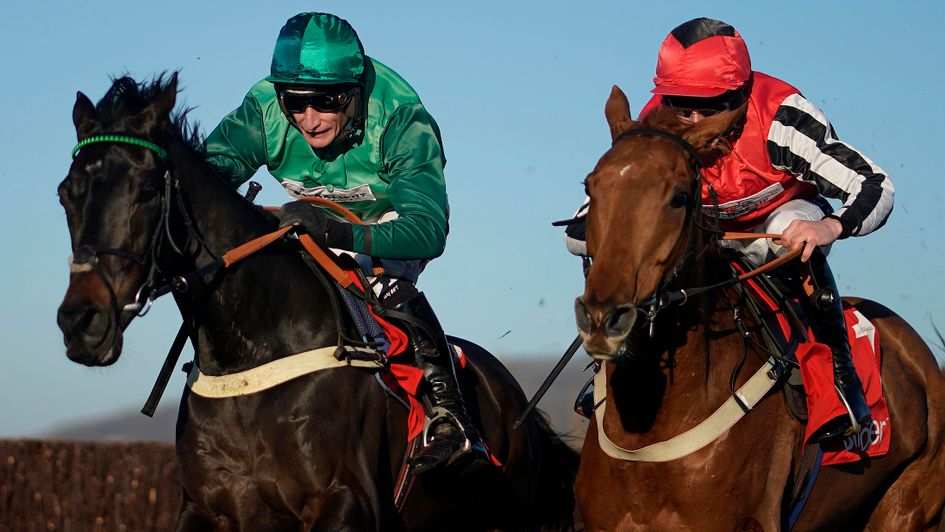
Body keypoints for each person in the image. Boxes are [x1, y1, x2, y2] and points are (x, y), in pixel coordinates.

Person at [564, 17, 894, 441]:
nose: (693, 120)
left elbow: (874, 184)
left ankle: (841, 382)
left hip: (777, 219)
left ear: (738, 95)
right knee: (579, 241)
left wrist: (830, 227)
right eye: (682, 106)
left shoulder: (782, 117)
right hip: (699, 227)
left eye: (710, 108)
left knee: (787, 234)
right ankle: (613, 361)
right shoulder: (655, 121)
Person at [204, 12, 489, 473]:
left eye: (326, 101)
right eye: (295, 103)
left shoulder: (402, 119)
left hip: (388, 223)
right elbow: (204, 182)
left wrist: (336, 231)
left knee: (379, 283)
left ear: (354, 92)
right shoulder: (263, 111)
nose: (309, 120)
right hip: (308, 219)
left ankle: (450, 417)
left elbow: (428, 230)